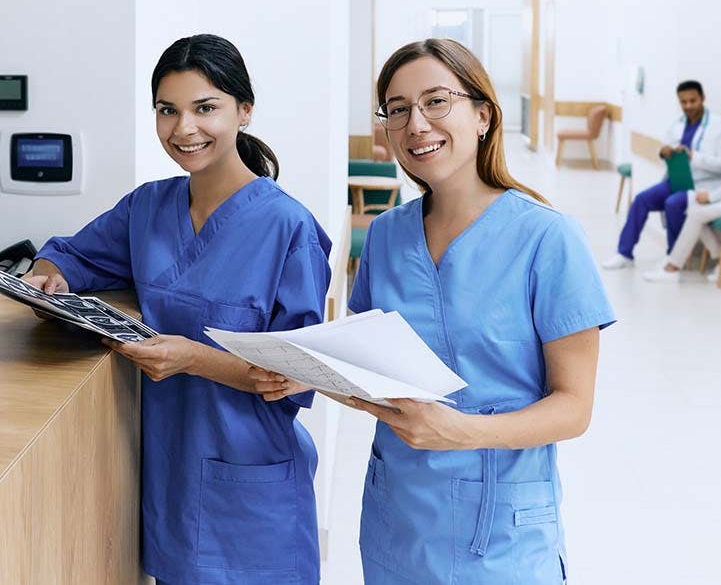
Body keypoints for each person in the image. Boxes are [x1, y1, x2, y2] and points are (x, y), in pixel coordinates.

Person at [257, 39, 615, 583]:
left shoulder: (548, 237)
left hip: (500, 532)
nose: (416, 124)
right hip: (397, 517)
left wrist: (460, 431)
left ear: (482, 116)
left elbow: (574, 408)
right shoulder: (384, 236)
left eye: (436, 101)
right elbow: (375, 377)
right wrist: (300, 371)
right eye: (397, 109)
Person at [26, 34, 330, 585]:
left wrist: (194, 359)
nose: (183, 128)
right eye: (168, 111)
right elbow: (69, 254)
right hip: (169, 476)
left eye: (205, 108)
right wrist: (48, 280)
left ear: (244, 110)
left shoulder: (288, 228)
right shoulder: (148, 207)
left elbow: (299, 373)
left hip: (249, 487)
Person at [602, 80, 721, 269]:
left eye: (693, 101)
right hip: (676, 180)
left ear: (703, 98)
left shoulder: (719, 127)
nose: (688, 106)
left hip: (701, 185)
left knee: (672, 204)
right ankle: (624, 253)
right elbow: (666, 147)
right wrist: (664, 152)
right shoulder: (678, 124)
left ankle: (672, 257)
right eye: (683, 102)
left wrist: (693, 156)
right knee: (641, 200)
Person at [643, 102, 721, 283]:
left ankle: (672, 268)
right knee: (693, 203)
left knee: (696, 210)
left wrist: (711, 197)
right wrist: (708, 195)